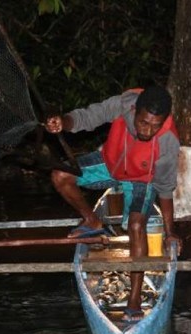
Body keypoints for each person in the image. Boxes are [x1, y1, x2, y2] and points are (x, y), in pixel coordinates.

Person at [45, 86, 181, 322]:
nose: (147, 130)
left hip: (142, 180)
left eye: (155, 126)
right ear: (134, 110)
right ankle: (92, 219)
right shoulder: (122, 104)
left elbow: (166, 188)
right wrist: (62, 122)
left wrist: (170, 233)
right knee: (60, 175)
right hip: (111, 164)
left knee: (137, 225)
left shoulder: (168, 140)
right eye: (143, 122)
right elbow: (86, 117)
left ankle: (135, 299)